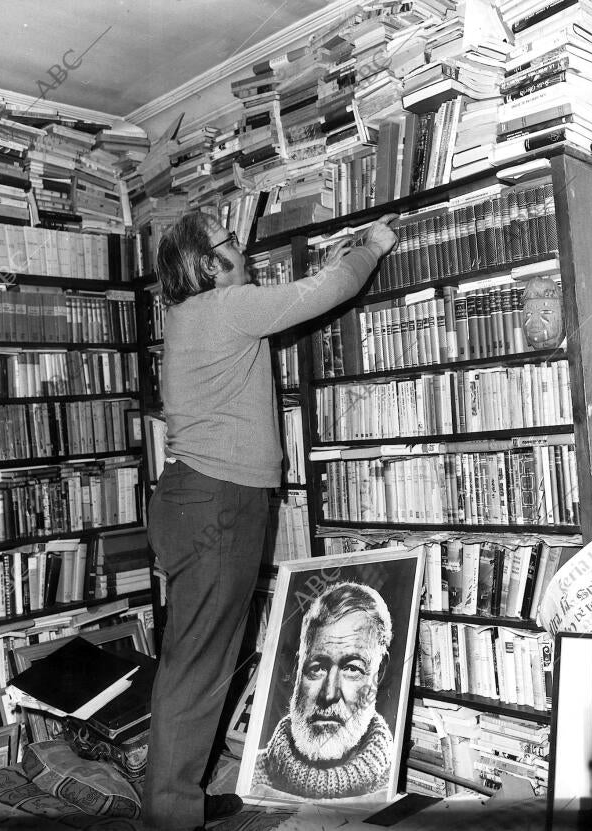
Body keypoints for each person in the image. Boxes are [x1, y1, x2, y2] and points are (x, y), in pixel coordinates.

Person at [141, 211, 399, 831]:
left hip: (202, 499)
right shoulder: (225, 306)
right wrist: (373, 246)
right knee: (197, 665)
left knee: (204, 658)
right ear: (209, 264)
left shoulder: (197, 313)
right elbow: (327, 292)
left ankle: (184, 798)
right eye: (231, 245)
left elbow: (290, 297)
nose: (243, 252)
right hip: (216, 501)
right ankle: (169, 817)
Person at [252, 581, 394, 800]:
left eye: (352, 668)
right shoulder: (250, 779)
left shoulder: (394, 790)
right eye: (316, 668)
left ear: (379, 672)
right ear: (297, 669)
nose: (329, 694)